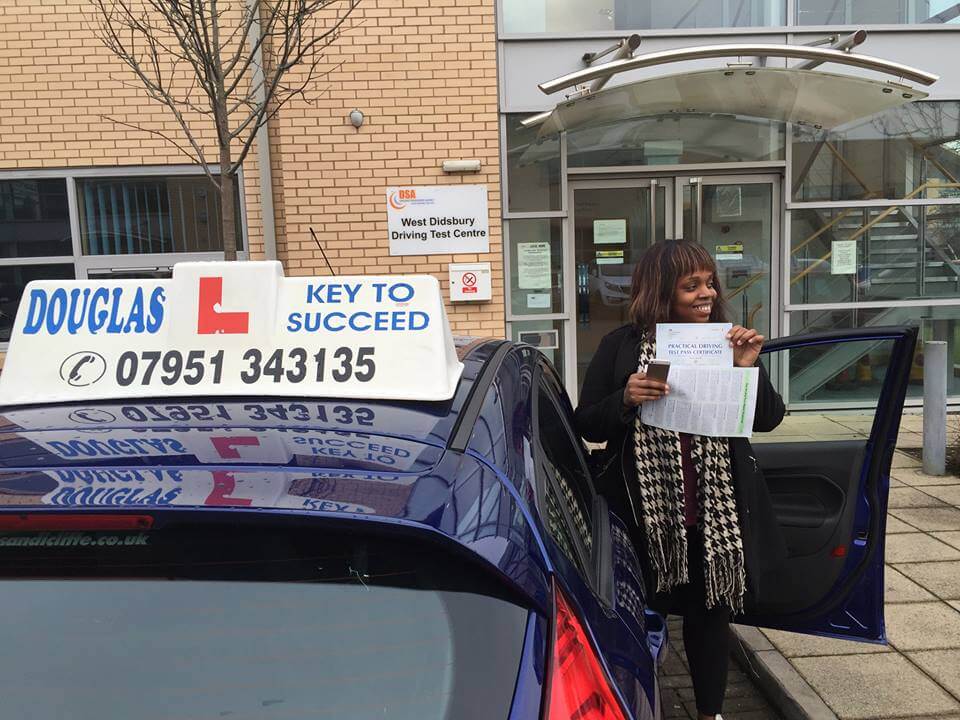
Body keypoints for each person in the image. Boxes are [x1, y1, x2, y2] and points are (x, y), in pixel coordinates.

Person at [574, 240, 786, 720]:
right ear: (661, 291)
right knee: (637, 617)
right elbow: (585, 423)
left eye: (709, 282)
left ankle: (709, 713)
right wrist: (625, 398)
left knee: (710, 619)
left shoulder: (729, 342)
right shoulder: (621, 346)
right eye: (691, 285)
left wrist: (748, 371)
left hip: (713, 516)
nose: (705, 293)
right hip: (644, 515)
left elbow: (770, 418)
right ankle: (633, 703)